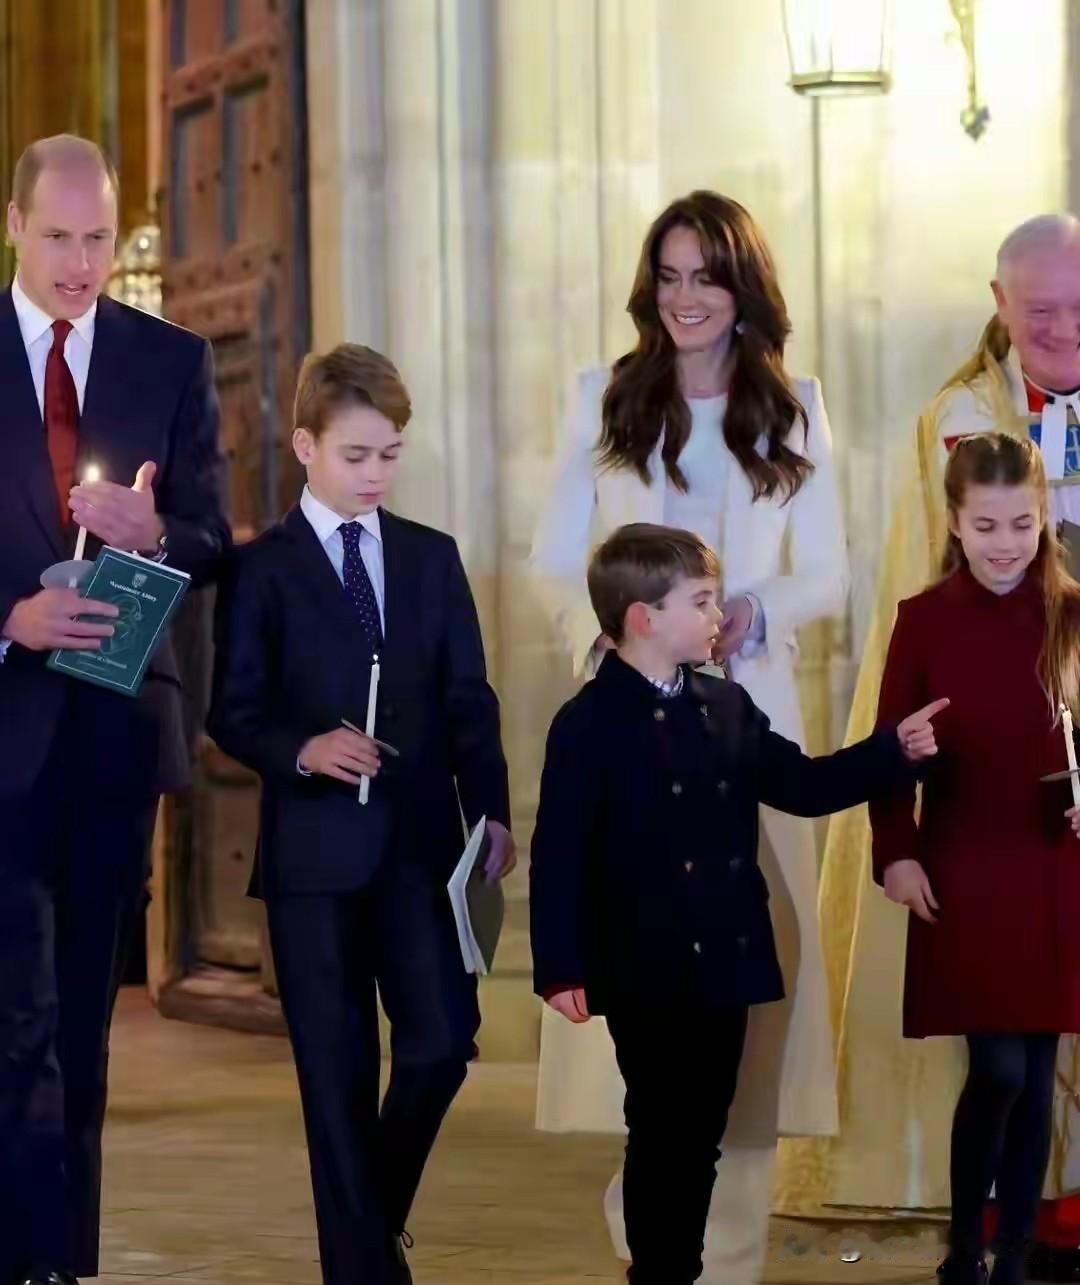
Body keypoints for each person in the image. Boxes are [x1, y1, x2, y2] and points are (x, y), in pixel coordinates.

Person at [530, 189, 848, 1281]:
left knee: (754, 1024)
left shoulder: (795, 408)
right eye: (667, 277)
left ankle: (733, 1261)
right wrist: (612, 647)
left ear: (743, 288)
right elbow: (553, 559)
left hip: (747, 730)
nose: (685, 298)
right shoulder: (603, 398)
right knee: (650, 1033)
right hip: (632, 733)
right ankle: (655, 1248)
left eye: (706, 276)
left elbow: (831, 571)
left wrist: (754, 612)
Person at [530, 522, 946, 1285]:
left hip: (726, 955)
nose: (717, 614)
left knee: (702, 1132)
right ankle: (660, 1273)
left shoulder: (725, 706)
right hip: (642, 961)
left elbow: (804, 783)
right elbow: (558, 851)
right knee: (659, 1124)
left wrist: (892, 750)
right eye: (701, 600)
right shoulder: (585, 723)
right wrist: (558, 965)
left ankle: (678, 1269)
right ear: (643, 617)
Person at [772, 213, 1080, 1238]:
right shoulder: (962, 415)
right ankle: (997, 1211)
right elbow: (951, 594)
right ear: (1000, 304)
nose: (1063, 331)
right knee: (1006, 1047)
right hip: (995, 765)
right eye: (1041, 310)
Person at [207, 343, 515, 1285]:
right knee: (334, 1079)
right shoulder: (261, 570)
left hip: (422, 852)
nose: (376, 473)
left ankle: (367, 1230)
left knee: (441, 1043)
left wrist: (493, 812)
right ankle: (363, 1269)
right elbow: (233, 710)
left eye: (390, 453)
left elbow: (470, 699)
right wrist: (303, 748)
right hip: (312, 862)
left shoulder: (432, 557)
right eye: (356, 455)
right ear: (306, 445)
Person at [0, 135, 229, 1285]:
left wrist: (160, 532)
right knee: (17, 1013)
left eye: (97, 238)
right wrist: (11, 618)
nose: (81, 263)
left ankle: (58, 1260)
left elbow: (213, 536)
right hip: (2, 733)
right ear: (14, 225)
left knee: (83, 1017)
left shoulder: (170, 361)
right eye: (58, 238)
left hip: (115, 733)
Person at [871, 433, 1080, 1285]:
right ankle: (965, 1246)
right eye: (986, 525)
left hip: (1054, 864)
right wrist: (896, 851)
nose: (1005, 543)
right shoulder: (924, 619)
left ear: (1045, 517)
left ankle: (1014, 1252)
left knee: (1036, 1071)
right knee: (997, 1066)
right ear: (954, 522)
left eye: (1022, 524)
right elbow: (890, 748)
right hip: (964, 862)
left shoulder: (1072, 613)